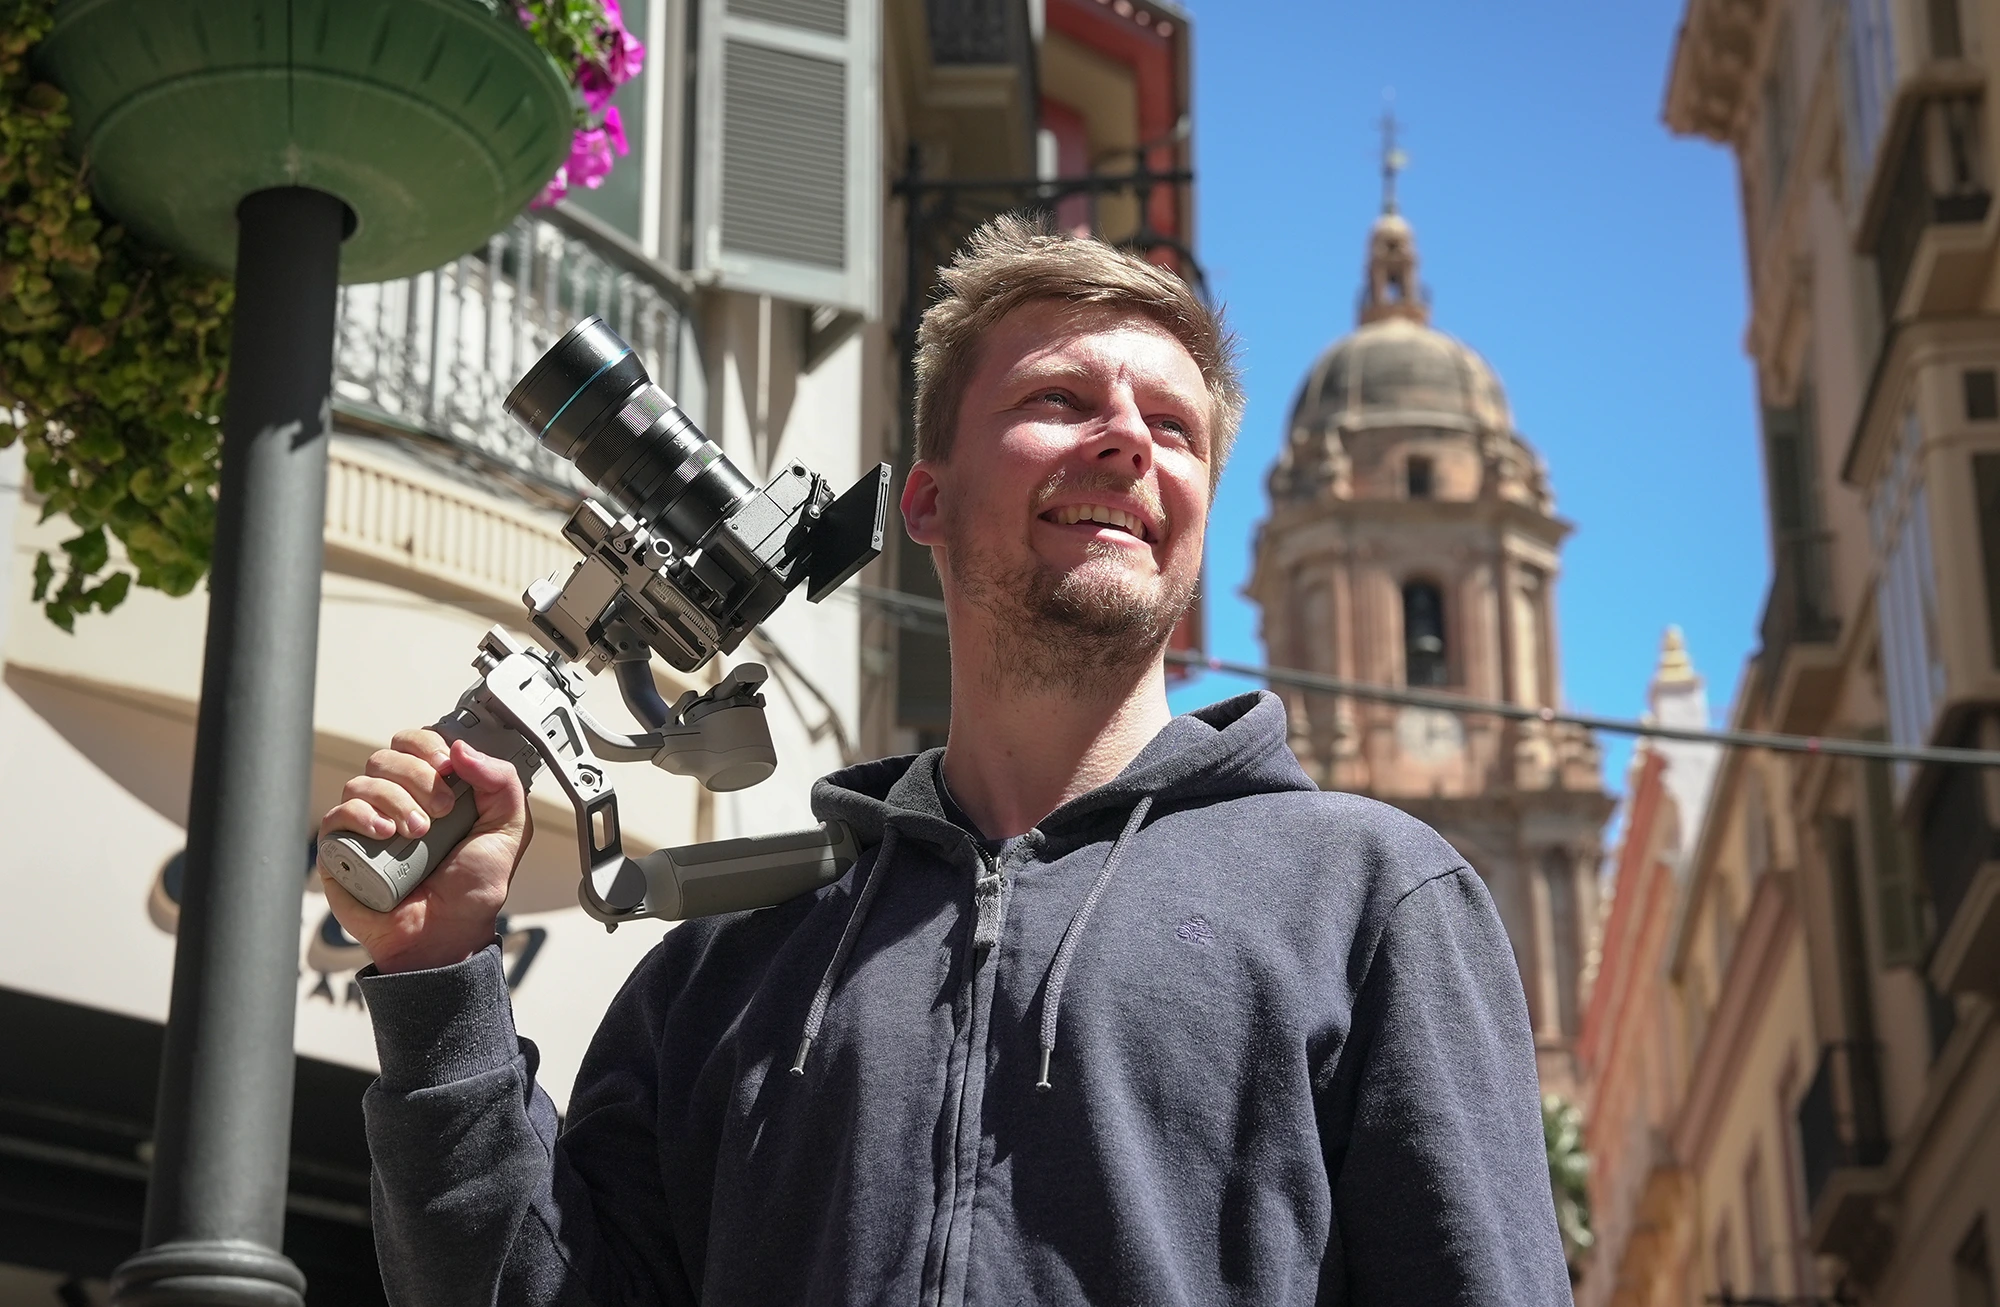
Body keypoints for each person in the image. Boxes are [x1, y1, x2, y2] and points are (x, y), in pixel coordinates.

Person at [322, 215, 1572, 1306]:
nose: (1128, 442)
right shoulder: (728, 963)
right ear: (922, 499)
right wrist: (439, 980)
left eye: (1174, 427)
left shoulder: (1369, 899)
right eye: (1060, 401)